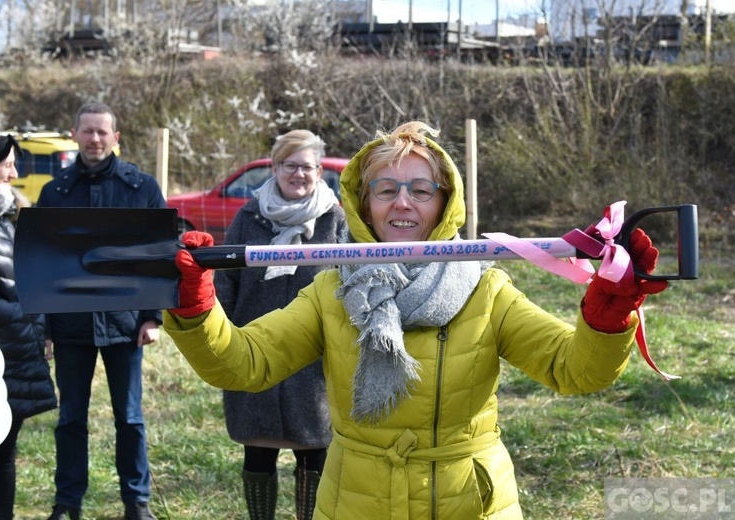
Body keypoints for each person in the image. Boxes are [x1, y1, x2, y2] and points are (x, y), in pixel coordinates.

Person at [163, 121, 668, 519]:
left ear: (445, 204)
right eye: (385, 189)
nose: (402, 202)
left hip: (467, 502)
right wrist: (194, 308)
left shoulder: (485, 289)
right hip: (354, 502)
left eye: (421, 190)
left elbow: (577, 371)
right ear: (364, 205)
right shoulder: (332, 289)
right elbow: (242, 366)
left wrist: (607, 316)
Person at [36, 102, 165, 520]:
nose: (95, 139)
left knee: (129, 417)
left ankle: (136, 502)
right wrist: (44, 328)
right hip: (69, 324)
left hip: (125, 323)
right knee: (70, 417)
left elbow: (160, 254)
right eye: (88, 131)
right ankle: (66, 503)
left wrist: (153, 316)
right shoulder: (54, 193)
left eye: (102, 132)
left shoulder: (140, 188)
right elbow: (43, 263)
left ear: (116, 137)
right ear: (74, 135)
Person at [216, 129, 346, 520]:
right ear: (274, 168)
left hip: (316, 357)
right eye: (289, 165)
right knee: (258, 448)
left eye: (306, 166)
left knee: (314, 449)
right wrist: (224, 333)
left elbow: (349, 278)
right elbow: (225, 277)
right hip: (255, 345)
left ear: (320, 171)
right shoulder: (249, 215)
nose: (298, 174)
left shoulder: (335, 219)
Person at [0, 135, 58, 520]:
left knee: (5, 452)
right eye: (7, 165)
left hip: (15, 353)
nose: (15, 173)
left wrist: (42, 332)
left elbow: (29, 285)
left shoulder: (10, 219)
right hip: (0, 354)